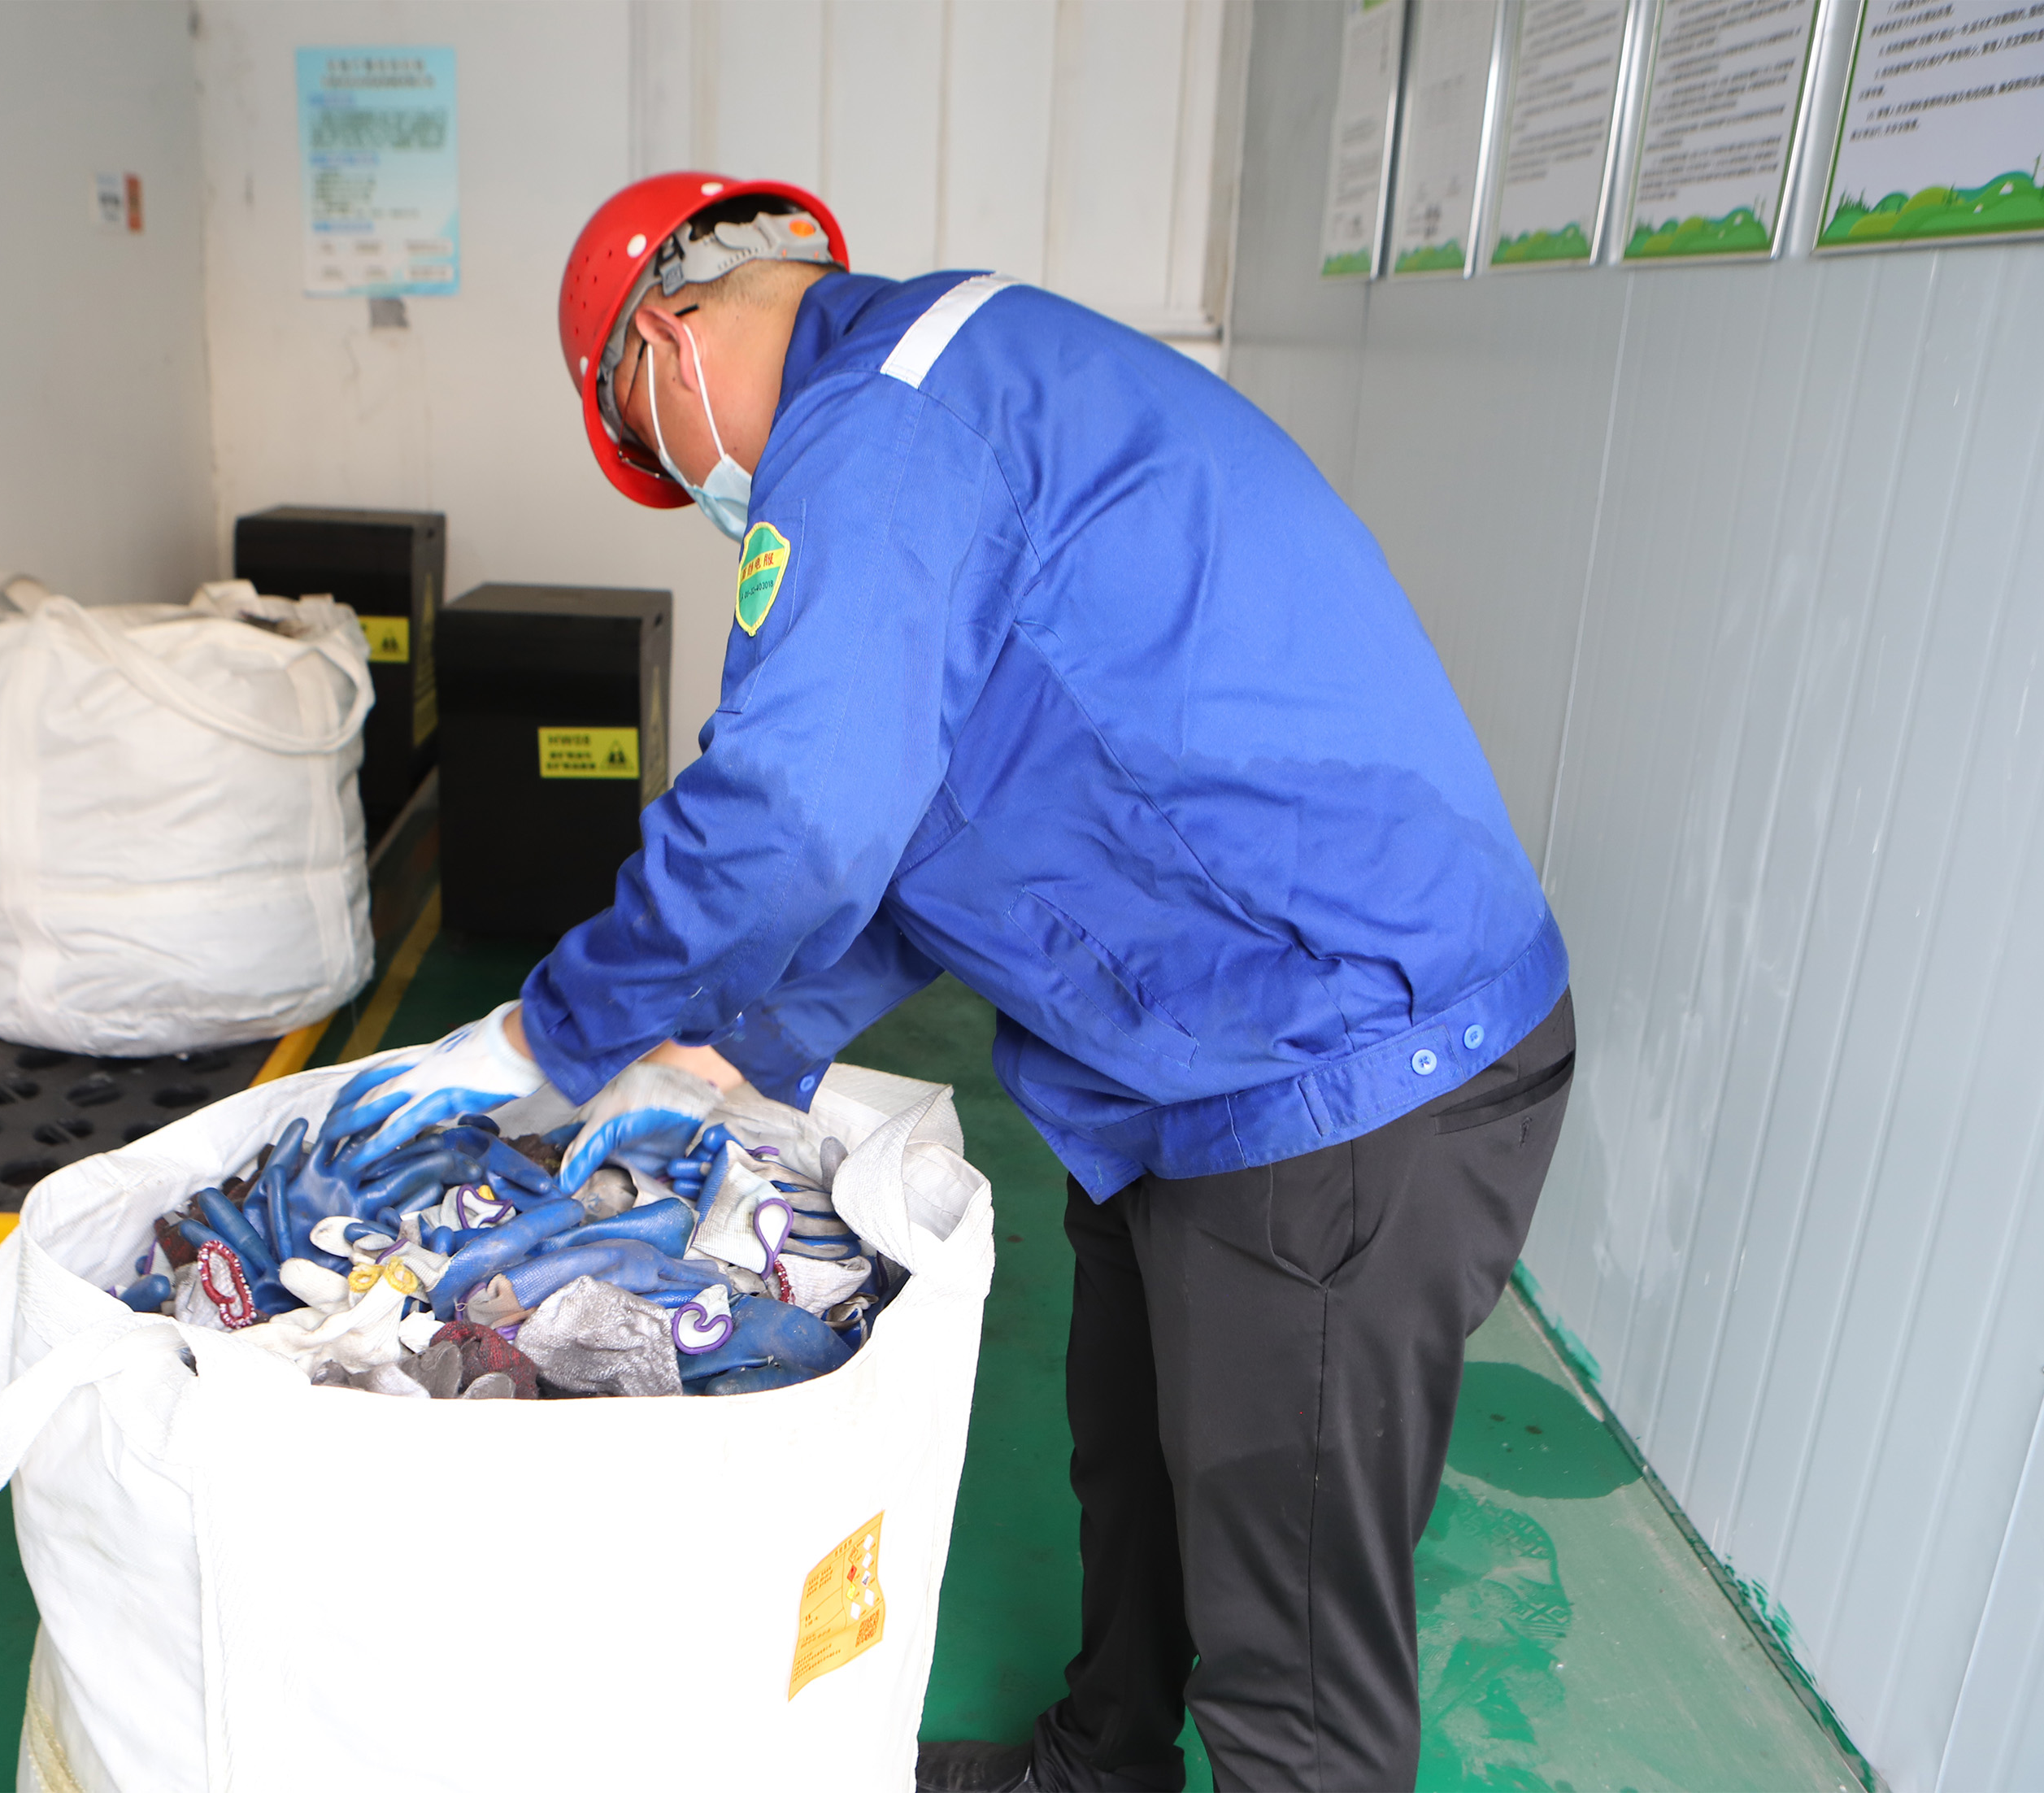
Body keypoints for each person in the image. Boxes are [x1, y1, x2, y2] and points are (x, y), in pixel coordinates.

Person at [330, 173, 1577, 1793]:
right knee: (1133, 1462)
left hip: (1337, 1058)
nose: (687, 482)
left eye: (649, 444)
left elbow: (796, 811)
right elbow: (927, 827)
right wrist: (741, 1049)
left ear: (661, 343)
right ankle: (1098, 1767)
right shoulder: (944, 384)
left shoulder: (877, 427)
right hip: (1191, 1056)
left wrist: (547, 1031)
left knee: (1294, 1666)